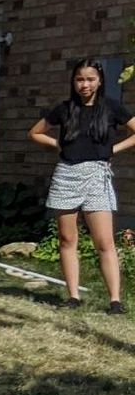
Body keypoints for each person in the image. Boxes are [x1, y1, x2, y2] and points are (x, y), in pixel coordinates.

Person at [28, 55, 135, 314]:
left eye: (90, 79)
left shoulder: (112, 107)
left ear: (99, 81)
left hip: (97, 175)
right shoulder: (64, 109)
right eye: (79, 79)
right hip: (66, 174)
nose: (84, 85)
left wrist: (113, 149)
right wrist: (57, 144)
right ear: (73, 82)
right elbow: (35, 132)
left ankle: (115, 300)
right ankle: (73, 296)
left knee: (104, 241)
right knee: (67, 238)